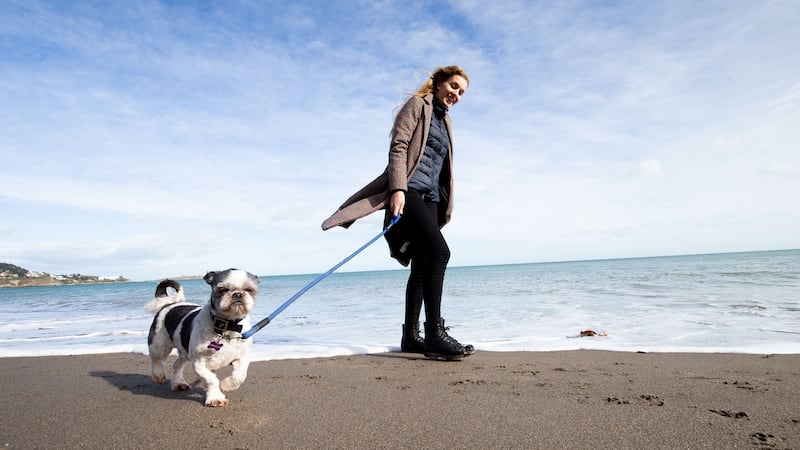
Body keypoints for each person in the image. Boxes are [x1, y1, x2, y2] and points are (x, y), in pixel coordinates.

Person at [321, 65, 474, 360]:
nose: (456, 94)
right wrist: (398, 190)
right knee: (440, 253)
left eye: (462, 91)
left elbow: (442, 166)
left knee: (423, 260)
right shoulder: (417, 105)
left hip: (430, 195)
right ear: (439, 82)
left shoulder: (446, 121)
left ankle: (411, 337)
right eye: (454, 86)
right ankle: (434, 333)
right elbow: (399, 146)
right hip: (410, 188)